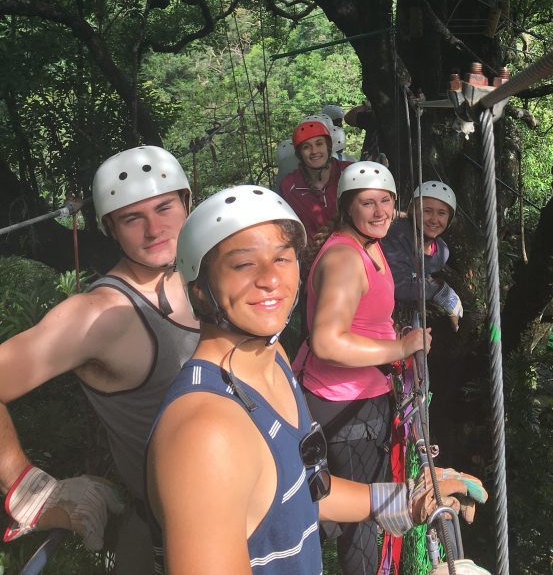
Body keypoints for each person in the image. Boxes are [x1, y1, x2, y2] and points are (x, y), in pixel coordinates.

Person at [146, 185, 484, 574]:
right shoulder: (206, 434)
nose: (271, 279)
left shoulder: (272, 362)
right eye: (243, 265)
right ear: (200, 292)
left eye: (283, 258)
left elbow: (301, 489)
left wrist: (403, 500)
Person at [0, 145, 199, 573]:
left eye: (164, 207)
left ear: (187, 201)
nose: (154, 229)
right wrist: (23, 483)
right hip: (178, 542)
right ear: (110, 228)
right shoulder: (99, 316)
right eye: (132, 218)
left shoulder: (199, 274)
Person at [295, 161, 430, 575]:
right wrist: (399, 347)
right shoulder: (344, 258)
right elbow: (327, 341)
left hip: (353, 400)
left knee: (347, 511)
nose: (379, 211)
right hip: (346, 408)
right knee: (361, 521)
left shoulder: (369, 246)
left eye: (386, 201)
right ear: (347, 208)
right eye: (367, 203)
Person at [382, 181, 464, 330]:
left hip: (407, 318)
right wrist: (440, 291)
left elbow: (418, 280)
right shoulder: (398, 233)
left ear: (449, 219)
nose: (434, 219)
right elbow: (399, 285)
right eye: (427, 211)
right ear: (414, 211)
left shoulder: (441, 252)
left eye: (441, 213)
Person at [278, 117, 351, 240]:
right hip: (312, 255)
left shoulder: (348, 173)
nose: (314, 151)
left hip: (352, 251)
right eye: (306, 147)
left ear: (328, 147)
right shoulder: (289, 186)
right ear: (300, 154)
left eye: (319, 144)